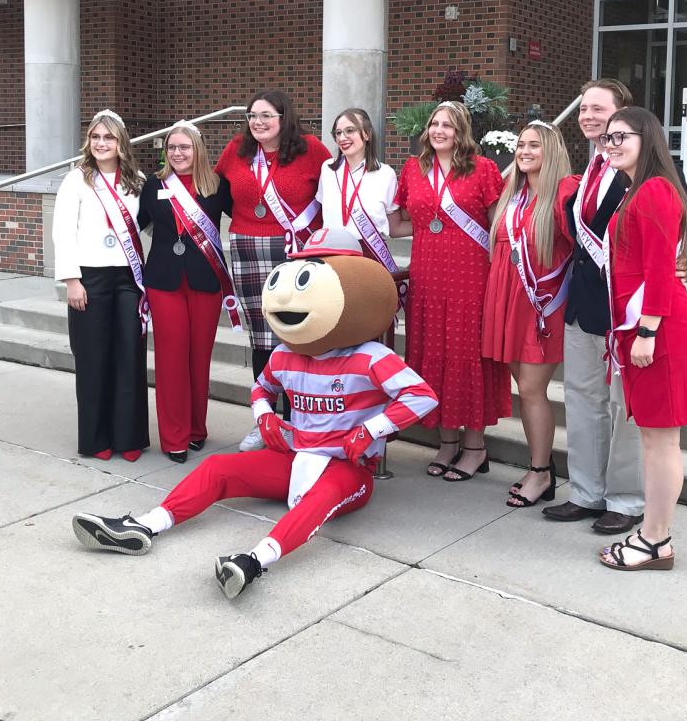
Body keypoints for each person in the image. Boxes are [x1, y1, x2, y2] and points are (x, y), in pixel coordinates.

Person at [71, 227, 437, 600]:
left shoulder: (373, 357)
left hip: (348, 468)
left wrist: (372, 429)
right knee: (218, 468)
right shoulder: (284, 354)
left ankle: (252, 562)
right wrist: (264, 415)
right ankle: (144, 526)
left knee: (320, 498)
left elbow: (422, 396)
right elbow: (262, 388)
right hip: (296, 457)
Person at [544, 78, 687, 536]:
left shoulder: (647, 176)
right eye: (585, 110)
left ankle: (625, 499)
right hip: (584, 307)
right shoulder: (590, 170)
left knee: (625, 411)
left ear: (625, 118)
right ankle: (585, 492)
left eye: (601, 110)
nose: (590, 118)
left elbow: (684, 232)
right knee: (582, 402)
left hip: (628, 315)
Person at [597, 107, 687, 571]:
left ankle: (656, 540)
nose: (611, 143)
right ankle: (652, 534)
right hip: (644, 330)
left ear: (648, 138)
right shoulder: (634, 190)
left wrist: (646, 331)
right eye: (606, 137)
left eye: (621, 135)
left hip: (659, 332)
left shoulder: (656, 189)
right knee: (653, 440)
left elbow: (660, 269)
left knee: (662, 443)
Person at [388, 101, 509, 482]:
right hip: (427, 276)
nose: (439, 130)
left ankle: (475, 448)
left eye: (448, 125)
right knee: (433, 353)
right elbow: (399, 224)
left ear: (461, 131)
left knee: (466, 354)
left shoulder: (483, 169)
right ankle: (447, 444)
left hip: (470, 277)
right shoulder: (413, 168)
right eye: (434, 124)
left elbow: (497, 229)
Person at [215, 90, 331, 451]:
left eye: (267, 115)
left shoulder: (311, 149)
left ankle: (299, 423)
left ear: (284, 118)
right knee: (263, 339)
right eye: (252, 116)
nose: (259, 122)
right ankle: (265, 422)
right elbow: (216, 195)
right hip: (249, 250)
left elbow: (331, 196)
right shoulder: (237, 149)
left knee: (298, 335)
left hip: (298, 254)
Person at [482, 121, 576, 507]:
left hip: (541, 307)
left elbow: (584, 249)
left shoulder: (565, 192)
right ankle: (541, 467)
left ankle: (541, 472)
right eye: (521, 145)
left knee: (534, 392)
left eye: (534, 145)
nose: (524, 151)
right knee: (526, 391)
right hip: (507, 301)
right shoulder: (514, 194)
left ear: (550, 151)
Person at [53, 109, 149, 463]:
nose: (101, 143)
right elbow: (62, 232)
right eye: (95, 137)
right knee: (93, 358)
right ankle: (96, 439)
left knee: (129, 355)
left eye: (108, 137)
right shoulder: (76, 180)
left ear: (120, 141)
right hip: (89, 279)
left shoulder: (135, 180)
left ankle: (130, 435)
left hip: (128, 279)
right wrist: (72, 280)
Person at [138, 120, 235, 463]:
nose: (178, 153)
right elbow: (142, 224)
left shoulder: (217, 186)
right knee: (171, 359)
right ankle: (174, 436)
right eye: (172, 148)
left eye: (185, 147)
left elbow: (242, 216)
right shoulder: (153, 185)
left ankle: (196, 430)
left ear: (198, 149)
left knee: (199, 359)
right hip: (164, 282)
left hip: (205, 280)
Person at [316, 107, 402, 292]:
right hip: (332, 253)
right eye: (338, 133)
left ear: (367, 134)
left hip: (370, 253)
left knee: (372, 316)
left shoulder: (386, 174)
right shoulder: (327, 170)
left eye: (350, 130)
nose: (342, 138)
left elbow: (393, 223)